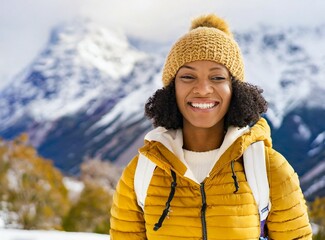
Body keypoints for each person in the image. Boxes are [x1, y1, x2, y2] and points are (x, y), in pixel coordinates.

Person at [110, 14, 312, 239]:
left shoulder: (269, 169)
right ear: (171, 89)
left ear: (235, 89)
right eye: (188, 76)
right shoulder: (140, 172)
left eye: (217, 78)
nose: (203, 89)